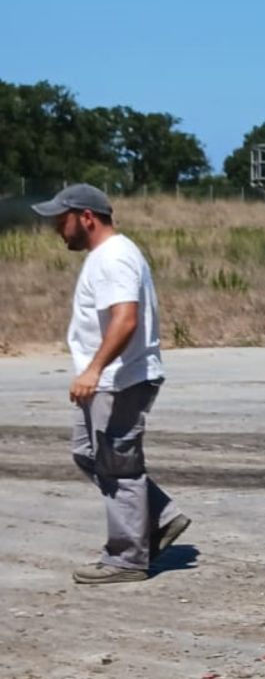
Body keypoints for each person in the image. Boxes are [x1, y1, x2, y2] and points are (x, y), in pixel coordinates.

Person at [32, 183, 189, 584]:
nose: (57, 229)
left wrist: (94, 370)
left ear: (86, 217)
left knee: (119, 467)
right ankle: (161, 517)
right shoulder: (106, 256)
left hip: (120, 380)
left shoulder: (114, 257)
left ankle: (127, 558)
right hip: (110, 379)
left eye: (61, 220)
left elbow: (126, 319)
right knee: (88, 453)